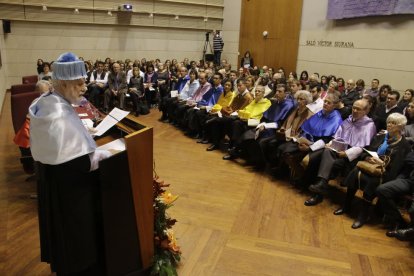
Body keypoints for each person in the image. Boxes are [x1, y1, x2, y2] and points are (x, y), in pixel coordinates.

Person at [29, 52, 113, 275]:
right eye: (80, 83)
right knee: (75, 238)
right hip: (70, 190)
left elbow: (60, 140)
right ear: (64, 83)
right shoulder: (57, 111)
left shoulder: (51, 100)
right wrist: (105, 154)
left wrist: (83, 131)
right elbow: (79, 162)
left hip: (54, 181)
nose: (85, 87)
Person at [334, 113, 411, 229]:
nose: (389, 125)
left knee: (372, 181)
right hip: (369, 166)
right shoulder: (381, 136)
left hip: (385, 173)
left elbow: (397, 167)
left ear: (400, 127)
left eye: (394, 123)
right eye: (389, 122)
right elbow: (366, 151)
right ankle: (346, 205)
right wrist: (367, 157)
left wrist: (382, 164)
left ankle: (363, 215)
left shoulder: (404, 145)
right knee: (355, 172)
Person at [305, 99, 377, 206]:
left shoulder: (369, 125)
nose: (355, 110)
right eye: (354, 107)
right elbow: (337, 136)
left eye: (358, 109)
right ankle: (317, 185)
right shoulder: (348, 120)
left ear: (366, 111)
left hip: (352, 156)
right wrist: (330, 143)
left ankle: (319, 192)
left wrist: (347, 153)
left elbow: (363, 147)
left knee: (331, 162)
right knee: (319, 155)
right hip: (337, 149)